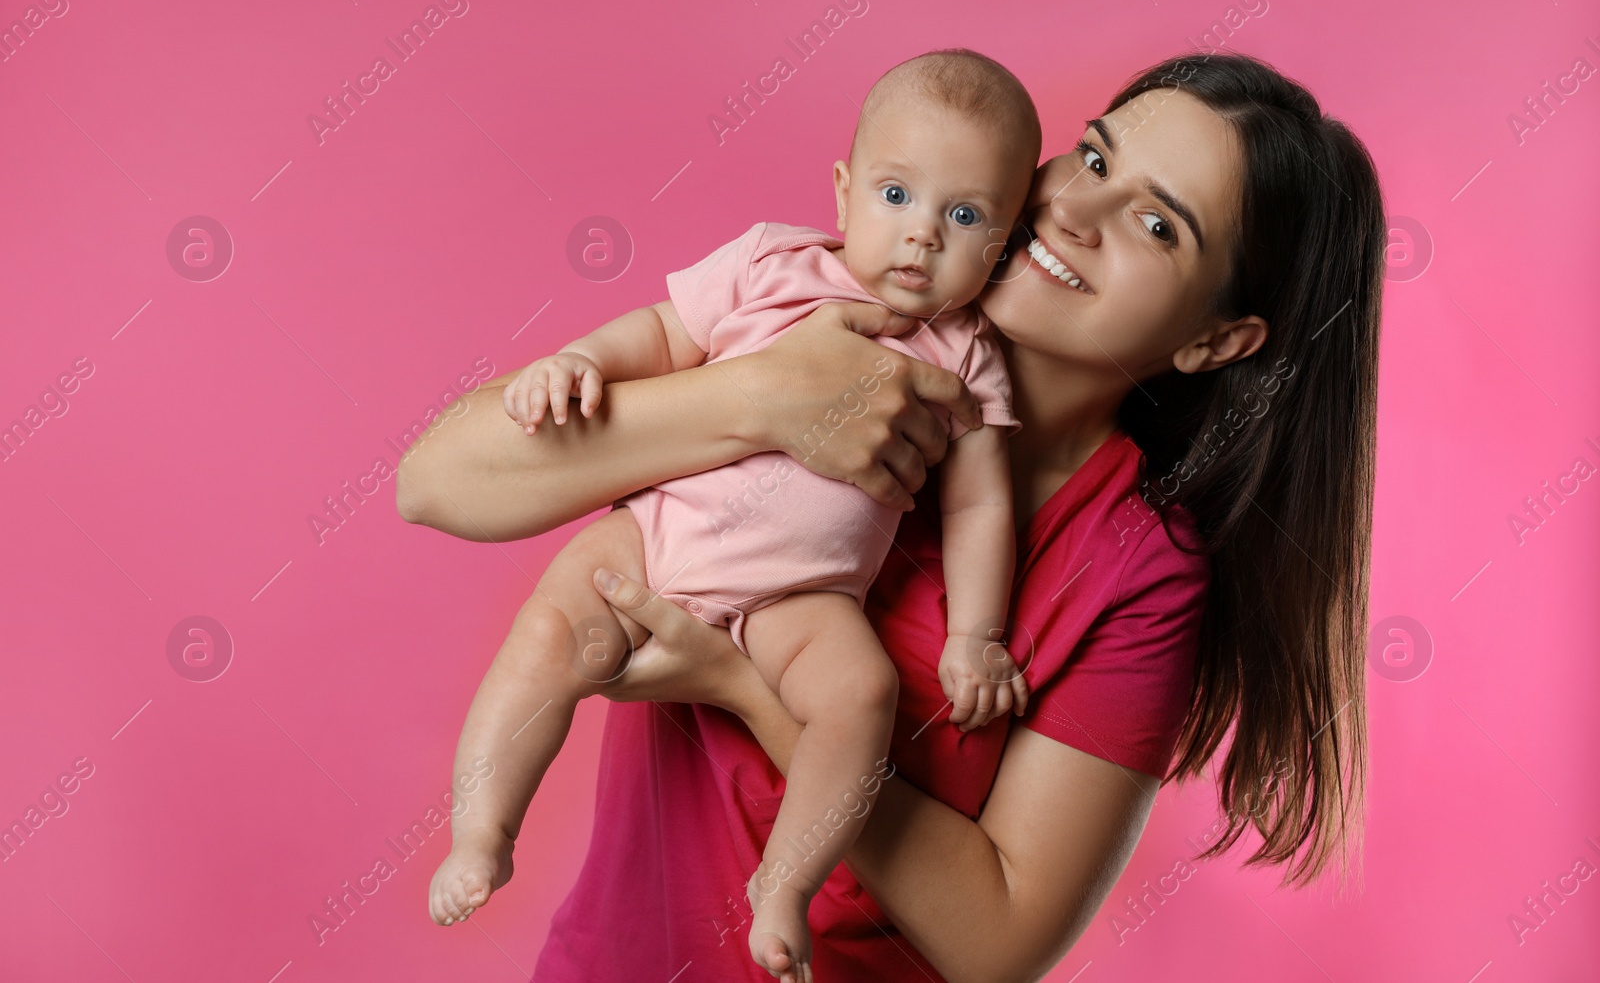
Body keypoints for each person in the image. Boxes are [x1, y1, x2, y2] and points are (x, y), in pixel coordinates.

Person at [396, 52, 1386, 983]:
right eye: (1091, 155)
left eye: (1158, 224)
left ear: (1218, 340)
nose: (1074, 209)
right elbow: (437, 481)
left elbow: (998, 942)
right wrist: (761, 398)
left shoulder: (1135, 569)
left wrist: (739, 685)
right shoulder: (807, 301)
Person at [426, 50, 1042, 982]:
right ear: (842, 192)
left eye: (963, 217)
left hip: (803, 594)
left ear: (999, 245)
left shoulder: (965, 355)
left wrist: (975, 637)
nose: (921, 236)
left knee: (861, 698)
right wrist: (575, 360)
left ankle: (784, 883)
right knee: (548, 636)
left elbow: (982, 500)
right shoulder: (770, 262)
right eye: (895, 195)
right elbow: (663, 334)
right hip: (662, 527)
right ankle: (482, 826)